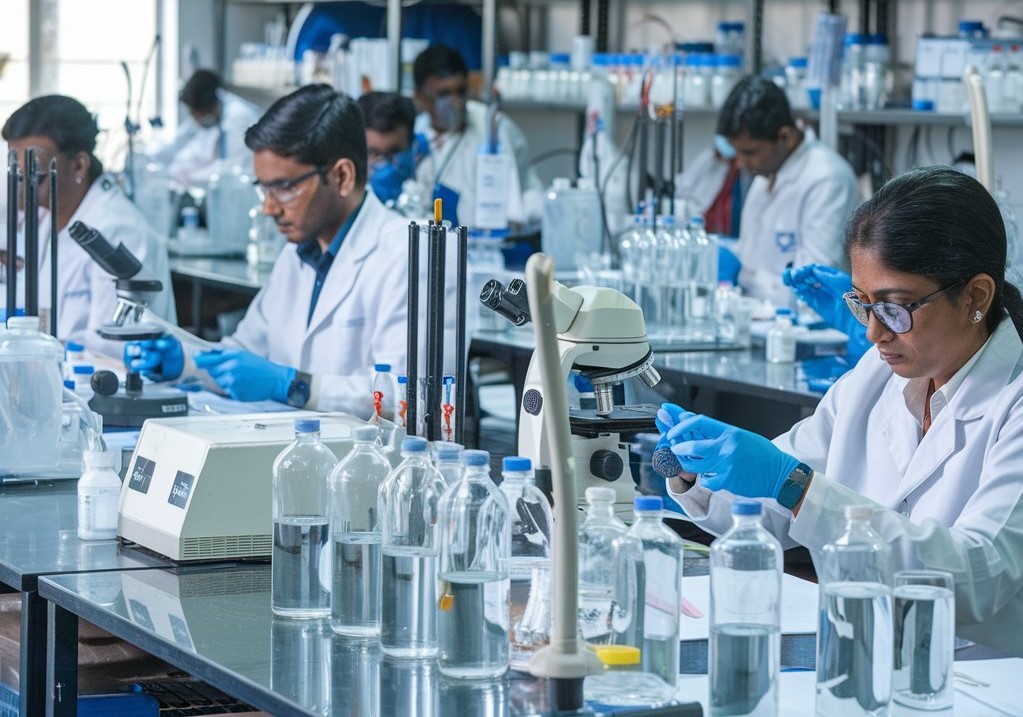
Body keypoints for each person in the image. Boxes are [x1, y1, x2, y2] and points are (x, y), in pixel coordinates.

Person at [655, 166, 1023, 657]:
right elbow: (774, 507)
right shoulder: (877, 375)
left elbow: (978, 574)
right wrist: (698, 473)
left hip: (981, 676)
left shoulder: (1013, 402)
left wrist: (796, 485)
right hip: (861, 652)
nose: (873, 333)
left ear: (976, 296)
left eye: (895, 307)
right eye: (863, 304)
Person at [127, 84, 410, 417]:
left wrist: (293, 385)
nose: (269, 208)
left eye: (285, 188)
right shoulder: (299, 251)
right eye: (265, 190)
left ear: (342, 176)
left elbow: (408, 398)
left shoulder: (407, 254)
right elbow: (244, 351)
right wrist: (185, 364)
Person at [1, 95, 175, 355]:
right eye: (17, 171)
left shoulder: (117, 229)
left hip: (103, 381)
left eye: (35, 174)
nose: (23, 187)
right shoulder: (42, 216)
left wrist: (30, 351)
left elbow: (109, 348)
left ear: (79, 165)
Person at [717, 75, 860, 305]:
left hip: (810, 334)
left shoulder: (827, 179)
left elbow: (816, 290)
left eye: (750, 152)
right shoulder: (768, 170)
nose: (741, 164)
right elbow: (752, 254)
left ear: (785, 136)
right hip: (760, 320)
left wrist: (743, 276)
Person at [412, 44, 543, 227]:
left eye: (460, 91)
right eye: (444, 94)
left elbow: (520, 202)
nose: (455, 102)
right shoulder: (414, 136)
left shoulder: (492, 128)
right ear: (421, 98)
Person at [147, 68, 263, 187]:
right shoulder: (213, 109)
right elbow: (178, 140)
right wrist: (148, 158)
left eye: (196, 114)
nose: (196, 121)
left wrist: (190, 177)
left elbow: (233, 167)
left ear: (209, 107)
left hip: (246, 186)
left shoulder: (240, 118)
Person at [356, 91, 428, 207]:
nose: (384, 165)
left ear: (413, 147)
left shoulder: (431, 190)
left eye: (394, 151)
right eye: (374, 153)